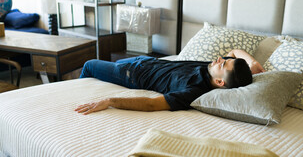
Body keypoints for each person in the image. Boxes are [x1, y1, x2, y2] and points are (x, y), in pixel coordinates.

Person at [75, 49, 265, 115]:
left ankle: (76, 97)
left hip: (131, 75)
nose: (218, 59)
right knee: (110, 63)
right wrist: (253, 63)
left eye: (223, 64)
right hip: (147, 61)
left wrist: (110, 101)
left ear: (220, 83)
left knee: (89, 65)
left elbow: (151, 104)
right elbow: (234, 51)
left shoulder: (194, 90)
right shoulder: (213, 70)